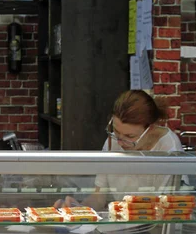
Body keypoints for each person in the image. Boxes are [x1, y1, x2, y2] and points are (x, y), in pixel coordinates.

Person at [56, 90, 184, 210]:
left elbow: (168, 208)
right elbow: (99, 198)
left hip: (154, 226)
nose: (120, 142)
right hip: (122, 222)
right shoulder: (113, 142)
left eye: (130, 136)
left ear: (150, 129)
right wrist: (77, 208)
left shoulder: (169, 148)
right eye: (116, 132)